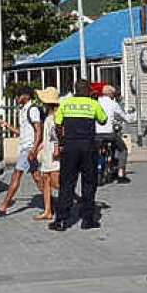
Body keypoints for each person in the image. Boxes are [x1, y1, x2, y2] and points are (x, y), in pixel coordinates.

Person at [50, 79, 108, 231]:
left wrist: (62, 142)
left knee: (66, 183)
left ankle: (61, 220)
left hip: (70, 147)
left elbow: (58, 125)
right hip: (88, 147)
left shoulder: (65, 103)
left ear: (75, 89)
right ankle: (87, 220)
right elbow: (103, 120)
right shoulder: (93, 104)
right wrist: (94, 102)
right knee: (89, 183)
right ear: (88, 90)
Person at [0, 86, 44, 216]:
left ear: (26, 96)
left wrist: (33, 149)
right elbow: (22, 132)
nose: (16, 98)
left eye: (18, 95)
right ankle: (51, 202)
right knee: (37, 178)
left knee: (16, 175)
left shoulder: (32, 110)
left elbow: (38, 131)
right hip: (26, 148)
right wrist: (6, 125)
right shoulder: (24, 110)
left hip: (28, 149)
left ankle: (3, 206)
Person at [33, 87, 61, 221]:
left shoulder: (53, 118)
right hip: (47, 153)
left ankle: (78, 199)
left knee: (56, 183)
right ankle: (47, 210)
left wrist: (56, 149)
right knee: (46, 181)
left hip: (52, 155)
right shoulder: (49, 117)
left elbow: (56, 135)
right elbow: (47, 138)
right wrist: (39, 148)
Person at [96, 84, 134, 184]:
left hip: (96, 134)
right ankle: (120, 173)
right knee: (123, 149)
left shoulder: (96, 102)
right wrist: (130, 118)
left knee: (94, 150)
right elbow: (124, 117)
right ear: (111, 94)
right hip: (109, 134)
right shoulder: (114, 104)